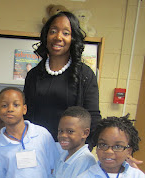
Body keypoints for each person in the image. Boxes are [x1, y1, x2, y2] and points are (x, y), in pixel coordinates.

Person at [24, 11, 101, 142]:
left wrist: (96, 147)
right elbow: (26, 115)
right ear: (46, 36)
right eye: (53, 31)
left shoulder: (85, 74)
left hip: (70, 150)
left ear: (73, 39)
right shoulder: (34, 75)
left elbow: (92, 117)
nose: (58, 37)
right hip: (37, 148)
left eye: (66, 33)